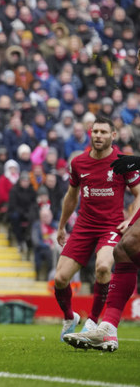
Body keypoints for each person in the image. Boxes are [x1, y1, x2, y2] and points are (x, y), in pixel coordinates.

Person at [63, 49, 140, 352]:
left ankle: (103, 325)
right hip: (88, 224)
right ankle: (107, 327)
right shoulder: (80, 163)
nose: (137, 63)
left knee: (125, 249)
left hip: (107, 221)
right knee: (126, 249)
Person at [53, 116, 140, 342]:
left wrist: (129, 220)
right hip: (84, 226)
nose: (98, 136)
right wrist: (62, 226)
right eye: (95, 132)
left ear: (113, 135)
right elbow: (71, 197)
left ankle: (92, 320)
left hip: (111, 226)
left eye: (103, 132)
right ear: (90, 134)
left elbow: (139, 194)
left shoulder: (123, 162)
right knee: (60, 279)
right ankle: (69, 317)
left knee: (103, 267)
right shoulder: (78, 163)